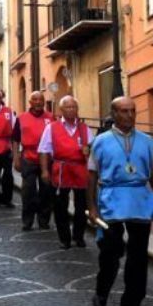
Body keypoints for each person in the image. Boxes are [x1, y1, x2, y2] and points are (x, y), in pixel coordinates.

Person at [87, 96, 153, 306]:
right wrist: (92, 206)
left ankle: (132, 302)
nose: (130, 115)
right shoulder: (100, 141)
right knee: (110, 252)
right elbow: (92, 175)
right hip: (111, 199)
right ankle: (102, 292)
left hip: (140, 200)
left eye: (133, 111)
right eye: (124, 111)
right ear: (113, 114)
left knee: (139, 256)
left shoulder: (147, 141)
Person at [39, 95, 93, 248]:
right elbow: (44, 150)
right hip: (61, 169)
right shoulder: (52, 127)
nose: (71, 110)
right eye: (67, 107)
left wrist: (87, 152)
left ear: (77, 110)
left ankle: (79, 236)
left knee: (81, 205)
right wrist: (44, 171)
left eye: (74, 107)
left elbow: (92, 150)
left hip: (80, 169)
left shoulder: (84, 128)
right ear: (61, 110)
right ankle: (64, 238)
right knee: (60, 205)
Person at [12, 91, 54, 230]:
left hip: (47, 159)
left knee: (46, 191)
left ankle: (43, 220)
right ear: (30, 102)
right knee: (28, 191)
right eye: (34, 99)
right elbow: (15, 140)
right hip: (28, 158)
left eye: (40, 99)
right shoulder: (21, 118)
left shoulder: (51, 118)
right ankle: (27, 220)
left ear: (43, 101)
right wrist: (16, 158)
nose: (37, 102)